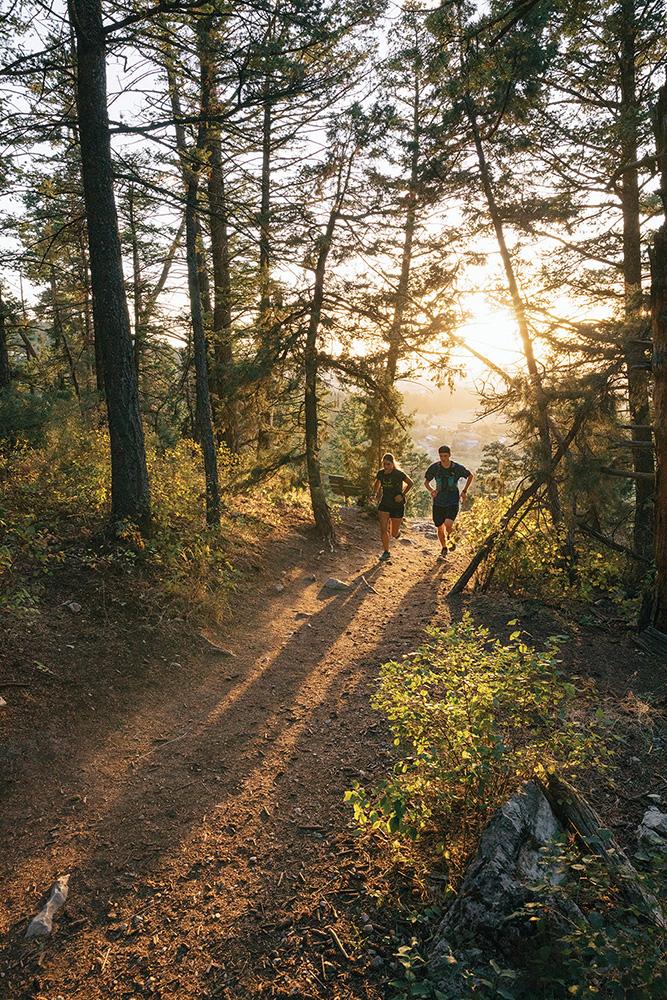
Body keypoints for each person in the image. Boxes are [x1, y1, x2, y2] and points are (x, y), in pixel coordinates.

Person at [424, 445, 473, 559]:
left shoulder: (456, 468)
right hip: (438, 502)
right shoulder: (435, 468)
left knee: (448, 524)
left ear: (449, 455)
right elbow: (426, 482)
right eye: (441, 456)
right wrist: (432, 491)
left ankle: (452, 539)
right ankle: (444, 548)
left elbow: (470, 476)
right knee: (440, 527)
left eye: (445, 456)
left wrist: (464, 491)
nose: (443, 458)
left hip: (452, 501)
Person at [372, 453, 413, 562]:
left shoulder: (398, 474)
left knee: (394, 533)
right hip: (384, 503)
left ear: (392, 463)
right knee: (383, 529)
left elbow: (410, 483)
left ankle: (397, 532)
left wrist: (402, 495)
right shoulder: (381, 473)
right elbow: (377, 483)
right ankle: (386, 552)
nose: (386, 466)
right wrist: (375, 494)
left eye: (388, 464)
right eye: (384, 464)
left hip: (397, 505)